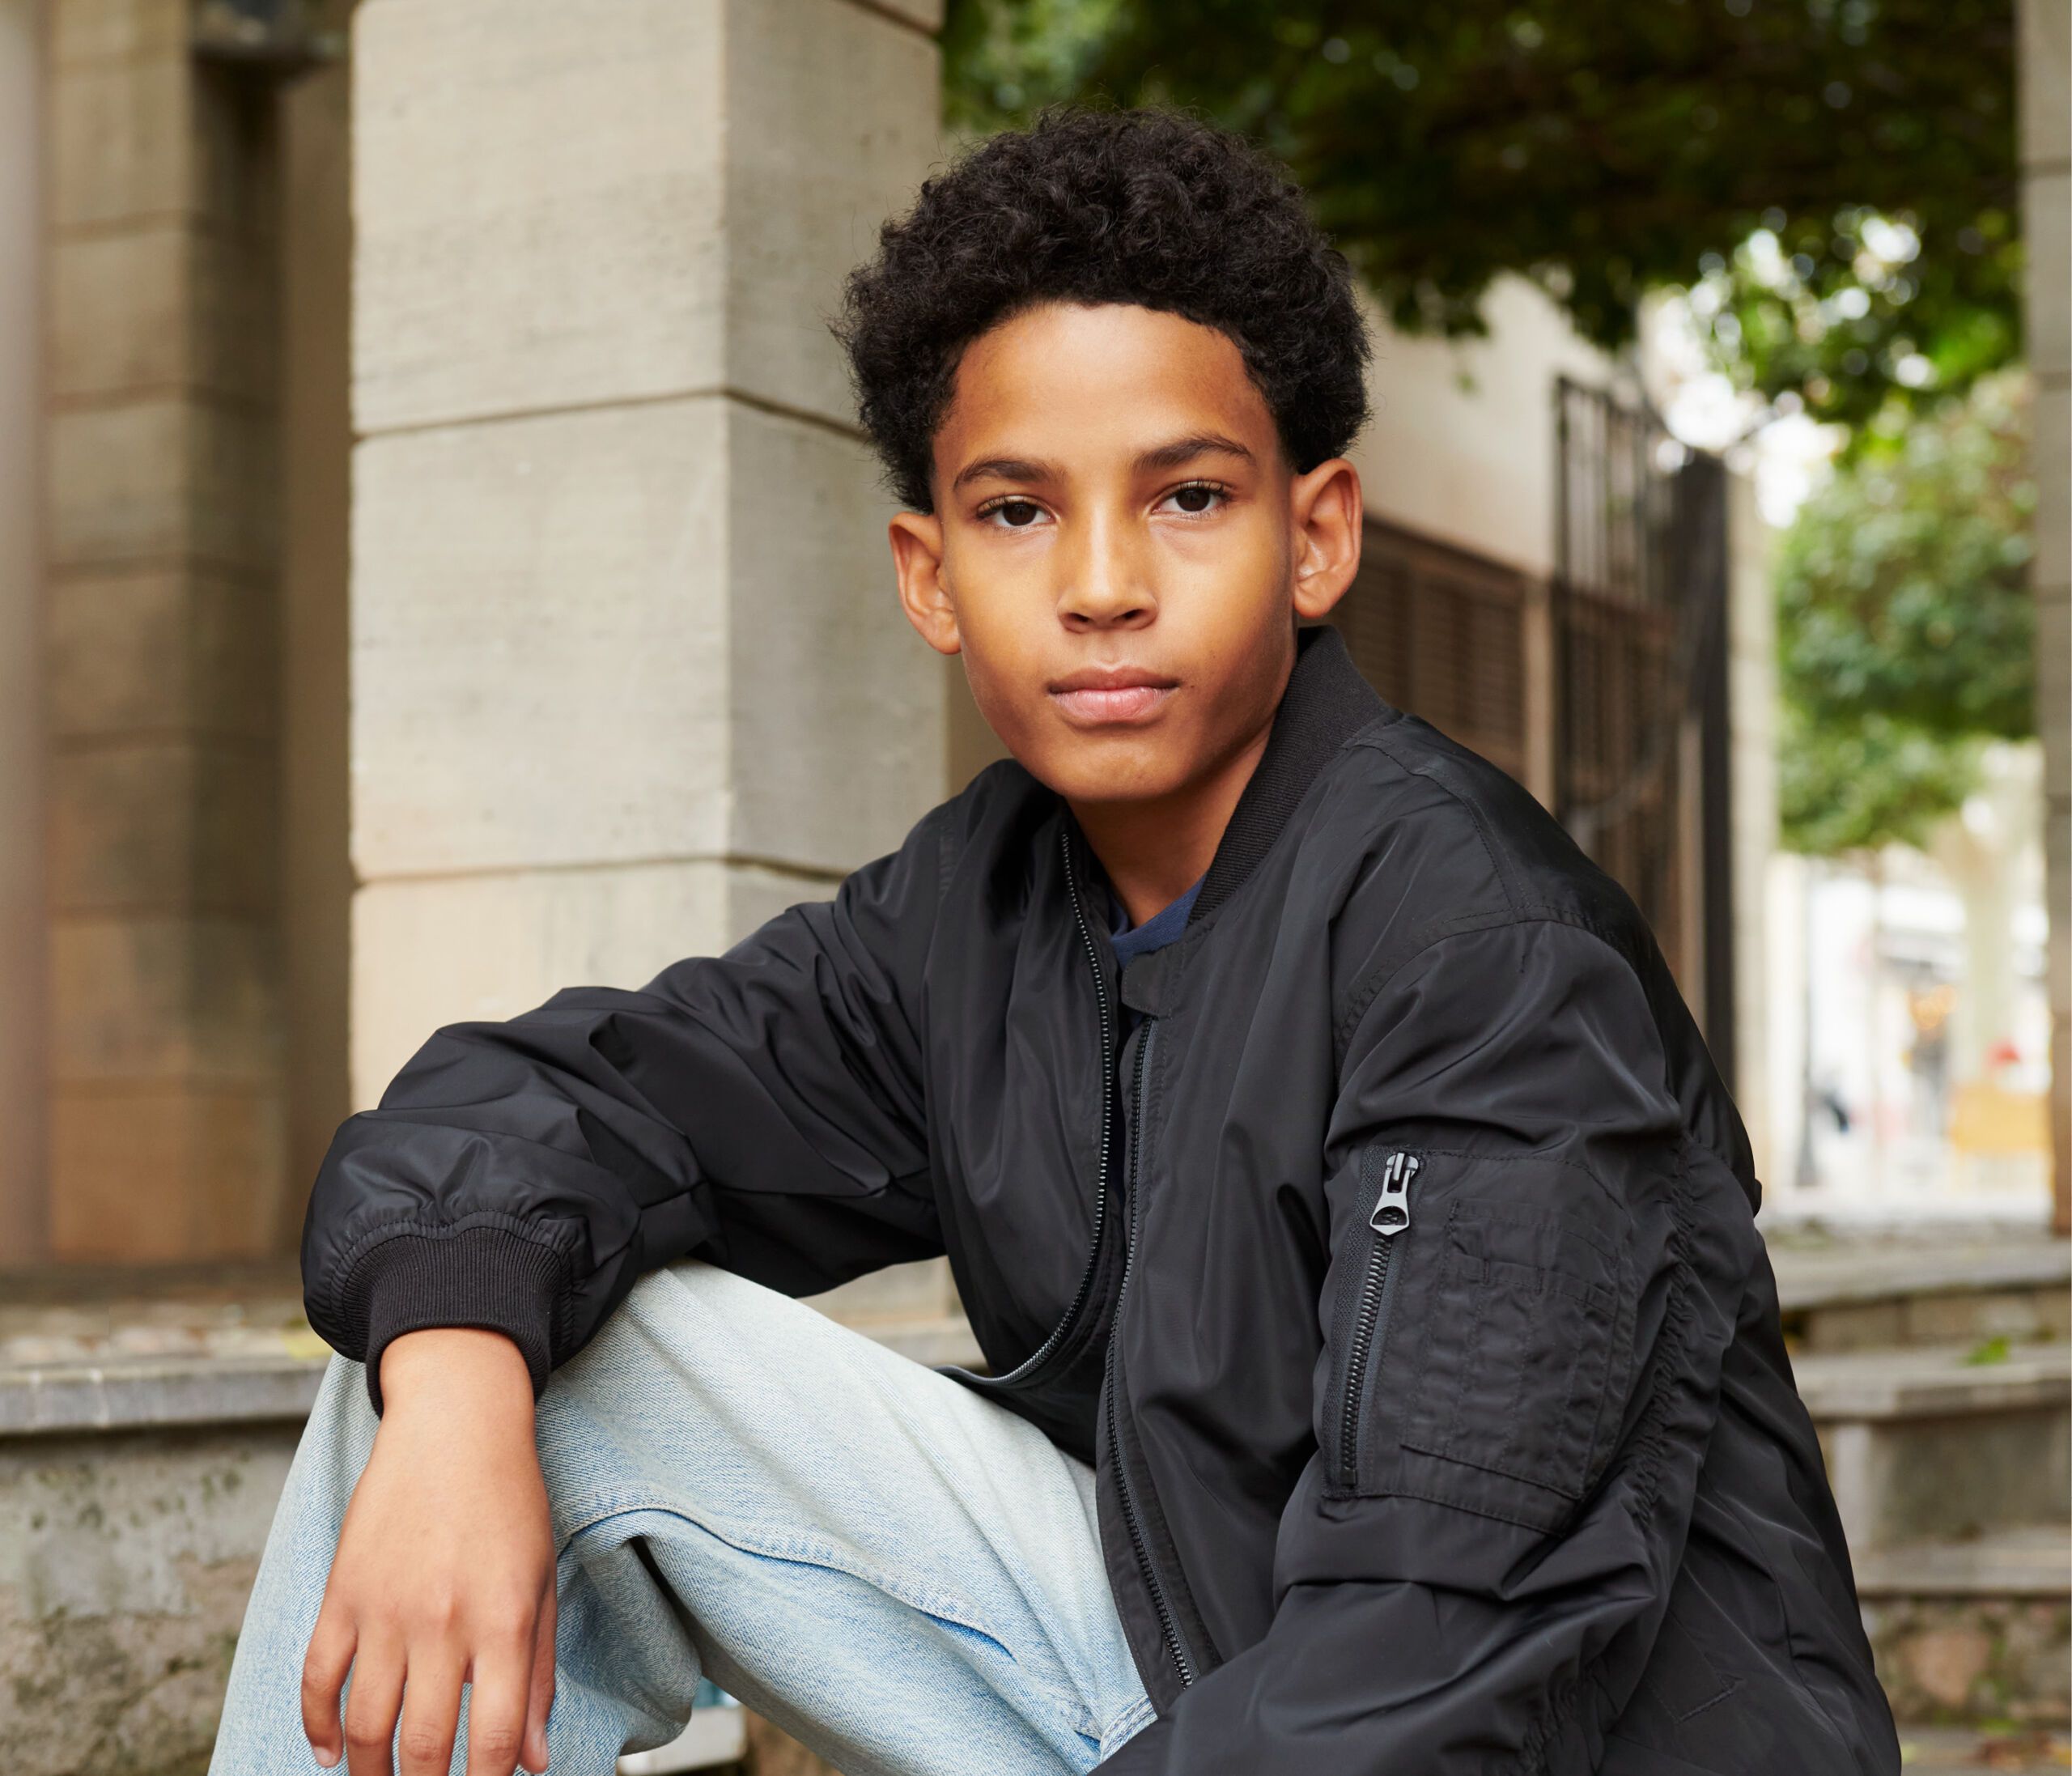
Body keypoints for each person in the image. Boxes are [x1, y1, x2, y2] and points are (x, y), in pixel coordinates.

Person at [210, 108, 1899, 1776]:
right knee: (467, 1331)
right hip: (1187, 1663)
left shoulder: (1483, 952)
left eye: (1187, 496)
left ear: (1314, 537)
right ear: (928, 573)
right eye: (1018, 511)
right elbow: (548, 1099)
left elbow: (1433, 1660)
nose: (1101, 582)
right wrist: (451, 1394)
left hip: (1483, 1736)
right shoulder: (983, 905)